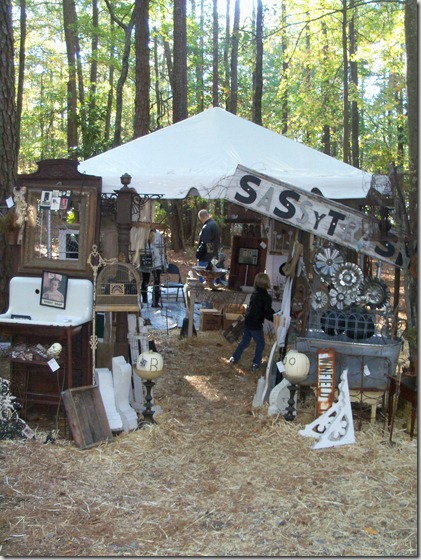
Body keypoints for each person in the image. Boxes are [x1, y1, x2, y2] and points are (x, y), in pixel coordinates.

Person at [229, 272, 275, 371]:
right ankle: (256, 363)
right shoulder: (266, 297)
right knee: (260, 344)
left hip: (248, 322)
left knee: (245, 341)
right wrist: (275, 317)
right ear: (267, 283)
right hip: (256, 324)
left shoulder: (254, 294)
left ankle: (234, 358)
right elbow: (267, 312)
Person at [140, 228, 167, 307]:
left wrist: (163, 262)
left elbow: (162, 249)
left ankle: (155, 302)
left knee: (157, 281)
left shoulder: (158, 234)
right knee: (145, 280)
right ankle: (144, 300)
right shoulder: (142, 233)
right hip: (146, 260)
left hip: (156, 261)